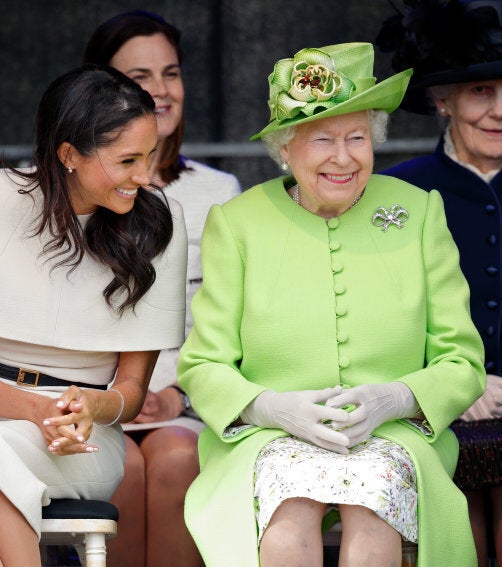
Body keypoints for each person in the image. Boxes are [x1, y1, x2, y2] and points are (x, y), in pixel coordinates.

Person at [177, 41, 486, 567]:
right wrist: (271, 407)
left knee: (374, 506)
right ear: (284, 149)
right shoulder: (238, 223)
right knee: (289, 517)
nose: (343, 157)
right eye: (322, 139)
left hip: (394, 434)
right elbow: (204, 365)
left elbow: (463, 361)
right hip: (271, 435)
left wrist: (396, 398)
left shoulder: (418, 212)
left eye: (357, 138)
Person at [0, 63, 188, 566]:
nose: (145, 176)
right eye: (128, 160)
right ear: (69, 154)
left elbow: (130, 392)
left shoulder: (157, 227)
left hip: (81, 432)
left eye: (150, 156)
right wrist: (36, 411)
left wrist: (89, 408)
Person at [82, 10, 241, 567]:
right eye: (140, 77)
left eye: (170, 73)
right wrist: (107, 398)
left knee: (176, 457)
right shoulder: (70, 189)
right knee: (119, 463)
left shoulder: (220, 192)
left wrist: (179, 395)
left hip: (187, 400)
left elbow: (235, 324)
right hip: (90, 402)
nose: (161, 91)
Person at [377, 1, 502, 565]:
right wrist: (451, 386)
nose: (500, 110)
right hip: (437, 410)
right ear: (442, 99)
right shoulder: (395, 194)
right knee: (455, 516)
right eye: (480, 91)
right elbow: (380, 315)